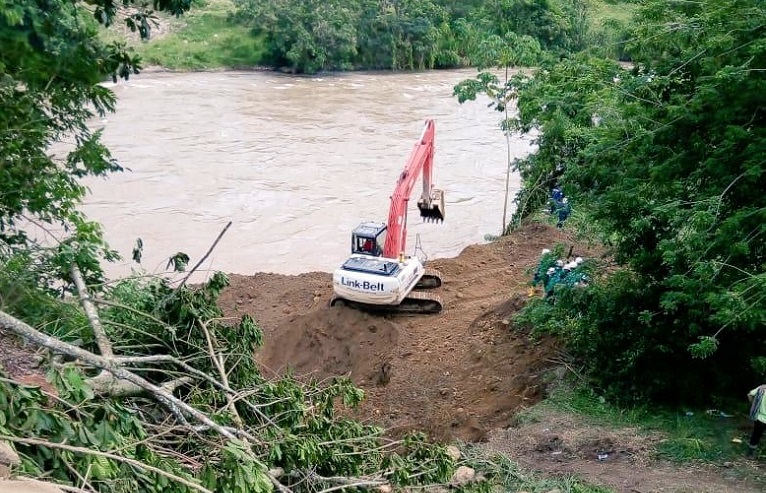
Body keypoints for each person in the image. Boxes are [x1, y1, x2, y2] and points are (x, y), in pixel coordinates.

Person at [747, 383, 766, 458]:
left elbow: (749, 395)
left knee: (756, 435)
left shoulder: (762, 388)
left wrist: (753, 405)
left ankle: (750, 454)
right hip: (761, 418)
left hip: (759, 417)